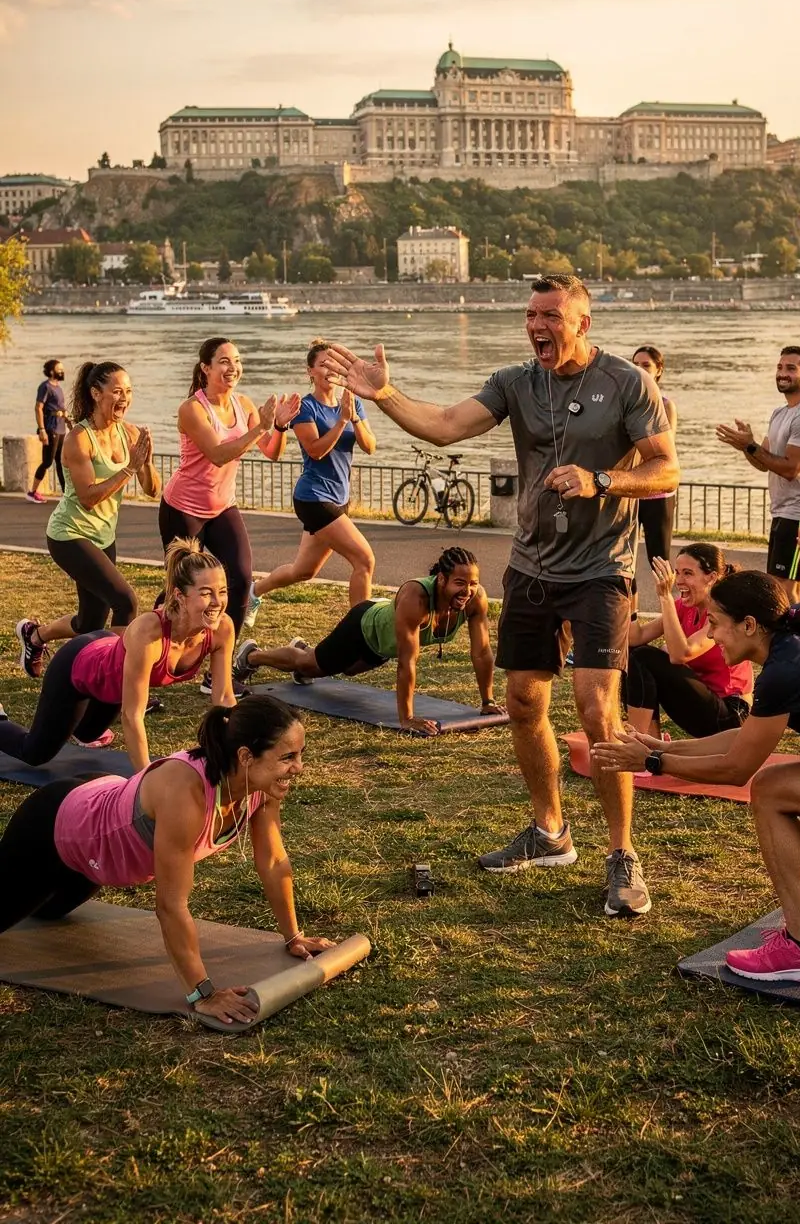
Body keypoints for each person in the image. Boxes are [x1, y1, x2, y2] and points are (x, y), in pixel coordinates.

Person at [325, 274, 679, 917]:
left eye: (550, 315)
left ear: (581, 323)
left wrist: (601, 479)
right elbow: (444, 426)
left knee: (597, 709)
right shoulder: (516, 381)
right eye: (530, 314)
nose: (536, 324)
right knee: (522, 700)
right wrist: (384, 394)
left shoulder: (629, 382)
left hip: (602, 566)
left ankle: (622, 853)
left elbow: (666, 467)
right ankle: (551, 832)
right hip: (531, 565)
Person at [0, 694, 334, 1026]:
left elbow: (274, 862)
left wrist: (294, 937)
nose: (299, 768)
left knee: (50, 913)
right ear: (246, 756)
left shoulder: (261, 786)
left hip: (99, 818)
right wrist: (202, 993)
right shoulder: (185, 792)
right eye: (288, 757)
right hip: (54, 826)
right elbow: (171, 905)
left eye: (301, 754)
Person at [594, 569, 800, 981]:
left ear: (749, 624)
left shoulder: (784, 672)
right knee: (773, 787)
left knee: (769, 789)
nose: (711, 636)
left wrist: (651, 764)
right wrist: (666, 747)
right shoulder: (795, 625)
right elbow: (744, 738)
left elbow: (737, 769)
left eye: (715, 624)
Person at [1, 539, 235, 772]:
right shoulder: (149, 632)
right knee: (34, 752)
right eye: (206, 593)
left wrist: (242, 747)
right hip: (76, 667)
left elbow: (224, 697)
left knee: (86, 733)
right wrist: (147, 780)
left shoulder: (222, 629)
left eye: (222, 592)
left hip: (112, 677)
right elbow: (132, 715)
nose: (218, 602)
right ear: (180, 596)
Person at [235, 546, 502, 735]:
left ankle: (302, 650)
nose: (467, 590)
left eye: (473, 583)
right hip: (363, 626)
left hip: (382, 642)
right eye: (459, 583)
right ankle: (252, 655)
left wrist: (487, 701)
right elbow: (408, 663)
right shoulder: (416, 598)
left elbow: (481, 652)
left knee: (348, 670)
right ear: (441, 579)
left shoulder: (474, 599)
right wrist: (407, 718)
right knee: (312, 666)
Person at [159, 337, 299, 692]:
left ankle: (219, 672)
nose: (232, 367)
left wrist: (278, 427)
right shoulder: (192, 409)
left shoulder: (245, 404)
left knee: (240, 581)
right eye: (223, 361)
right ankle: (152, 657)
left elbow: (271, 452)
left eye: (236, 360)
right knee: (179, 591)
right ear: (206, 368)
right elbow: (219, 454)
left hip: (222, 507)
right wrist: (261, 427)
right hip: (183, 510)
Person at [16, 360, 160, 685]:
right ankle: (120, 683)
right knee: (125, 601)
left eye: (129, 392)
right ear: (96, 393)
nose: (124, 398)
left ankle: (35, 635)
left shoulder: (131, 433)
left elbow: (152, 490)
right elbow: (88, 497)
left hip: (103, 536)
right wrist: (128, 469)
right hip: (70, 536)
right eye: (117, 391)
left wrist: (145, 463)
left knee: (90, 622)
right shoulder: (78, 439)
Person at [247, 339, 377, 619]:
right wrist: (341, 421)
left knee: (303, 570)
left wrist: (353, 418)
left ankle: (253, 591)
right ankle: (359, 631)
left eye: (333, 363)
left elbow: (370, 446)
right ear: (311, 372)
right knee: (364, 560)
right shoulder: (305, 408)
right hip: (314, 497)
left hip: (339, 497)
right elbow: (316, 451)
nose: (330, 369)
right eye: (323, 364)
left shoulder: (350, 401)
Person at [716, 345, 800, 604]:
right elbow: (764, 462)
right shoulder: (780, 413)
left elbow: (793, 469)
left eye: (791, 368)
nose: (782, 373)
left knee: (789, 590)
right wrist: (745, 446)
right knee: (779, 586)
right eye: (780, 367)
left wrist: (751, 446)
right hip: (782, 511)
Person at [626, 544, 753, 741]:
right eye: (677, 573)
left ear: (711, 577)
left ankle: (637, 743)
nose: (678, 581)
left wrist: (665, 597)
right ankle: (650, 741)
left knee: (644, 658)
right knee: (633, 653)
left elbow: (680, 654)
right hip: (706, 705)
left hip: (732, 715)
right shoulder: (685, 607)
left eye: (688, 573)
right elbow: (636, 637)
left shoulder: (722, 612)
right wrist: (628, 589)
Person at [631, 346, 678, 568]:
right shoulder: (626, 404)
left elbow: (664, 452)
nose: (639, 369)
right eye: (635, 364)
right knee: (623, 556)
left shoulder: (666, 405)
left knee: (659, 559)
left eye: (646, 365)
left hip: (657, 493)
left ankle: (665, 603)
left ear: (658, 370)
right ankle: (630, 604)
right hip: (629, 490)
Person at [27, 358, 69, 502]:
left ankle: (66, 494)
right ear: (52, 371)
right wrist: (42, 429)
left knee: (61, 462)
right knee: (47, 462)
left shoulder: (58, 387)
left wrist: (67, 418)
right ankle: (32, 492)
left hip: (61, 427)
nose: (62, 371)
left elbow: (60, 407)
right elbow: (38, 407)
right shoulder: (45, 387)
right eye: (60, 369)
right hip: (51, 428)